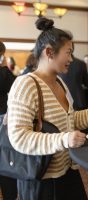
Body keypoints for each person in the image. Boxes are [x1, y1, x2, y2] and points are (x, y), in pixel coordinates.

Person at [7, 17, 88, 200]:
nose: (71, 59)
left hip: (68, 170)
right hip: (42, 178)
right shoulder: (26, 84)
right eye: (68, 53)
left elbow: (69, 120)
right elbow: (18, 137)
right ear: (49, 52)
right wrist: (64, 139)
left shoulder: (59, 82)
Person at [0, 41, 17, 200]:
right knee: (5, 159)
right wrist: (5, 67)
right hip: (2, 120)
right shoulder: (4, 73)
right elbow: (15, 91)